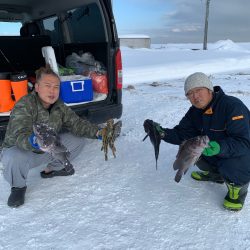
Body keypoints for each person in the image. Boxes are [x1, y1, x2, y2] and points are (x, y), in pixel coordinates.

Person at [0, 65, 114, 208]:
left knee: (77, 140)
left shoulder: (59, 106)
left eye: (56, 87)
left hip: (49, 148)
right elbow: (18, 135)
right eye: (47, 86)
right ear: (37, 87)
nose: (52, 91)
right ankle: (18, 187)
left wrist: (98, 132)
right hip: (25, 151)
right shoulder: (25, 104)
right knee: (13, 156)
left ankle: (53, 169)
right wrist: (33, 141)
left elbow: (77, 124)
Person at [144, 72, 250, 211]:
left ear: (209, 89)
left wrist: (220, 147)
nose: (195, 96)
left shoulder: (232, 106)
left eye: (198, 90)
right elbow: (182, 134)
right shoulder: (194, 112)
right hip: (213, 149)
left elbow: (244, 142)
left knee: (233, 162)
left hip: (240, 153)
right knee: (192, 150)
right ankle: (216, 175)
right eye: (190, 93)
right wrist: (162, 133)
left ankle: (238, 188)